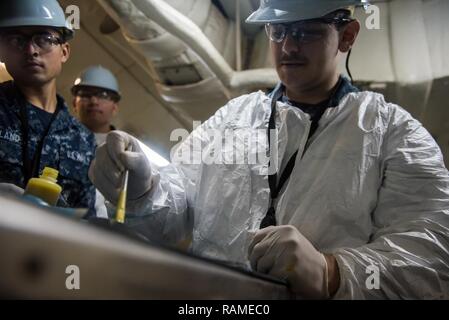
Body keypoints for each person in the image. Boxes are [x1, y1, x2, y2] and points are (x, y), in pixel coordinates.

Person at [89, 0, 449, 299]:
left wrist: (333, 272)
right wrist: (142, 189)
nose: (289, 46)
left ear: (348, 35)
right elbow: (172, 218)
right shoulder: (233, 118)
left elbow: (430, 254)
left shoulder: (393, 132)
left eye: (307, 32)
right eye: (279, 32)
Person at [0, 0, 96, 212]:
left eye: (43, 38)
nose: (31, 50)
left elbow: (86, 216)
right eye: (16, 40)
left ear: (64, 52)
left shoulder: (83, 140)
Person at [71, 65, 121, 146]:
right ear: (74, 104)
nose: (94, 101)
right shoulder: (55, 141)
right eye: (86, 94)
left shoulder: (125, 148)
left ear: (115, 107)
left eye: (103, 95)